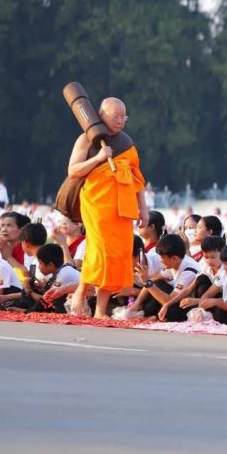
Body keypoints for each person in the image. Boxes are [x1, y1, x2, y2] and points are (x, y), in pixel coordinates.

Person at [67, 98, 149, 319]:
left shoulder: (126, 143)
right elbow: (73, 170)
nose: (121, 121)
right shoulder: (87, 139)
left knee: (116, 254)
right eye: (116, 116)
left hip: (123, 206)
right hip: (97, 204)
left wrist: (144, 208)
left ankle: (100, 310)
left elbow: (136, 179)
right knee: (99, 249)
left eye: (124, 117)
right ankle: (80, 292)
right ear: (101, 114)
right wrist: (100, 158)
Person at [179, 242, 227, 326]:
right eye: (224, 264)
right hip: (226, 306)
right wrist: (201, 308)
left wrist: (216, 302)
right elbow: (208, 294)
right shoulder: (224, 273)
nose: (225, 267)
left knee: (219, 312)